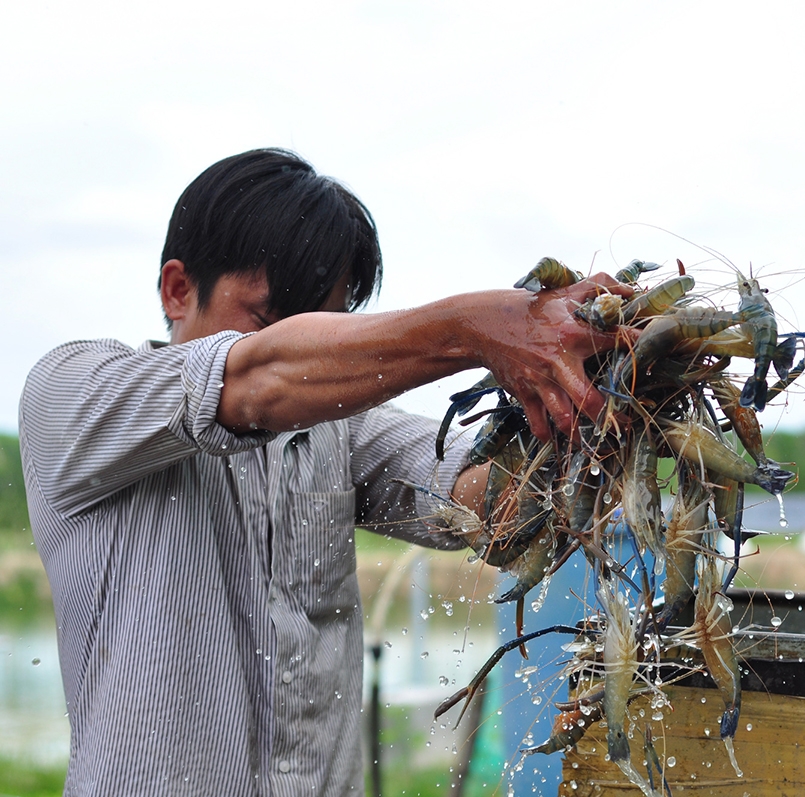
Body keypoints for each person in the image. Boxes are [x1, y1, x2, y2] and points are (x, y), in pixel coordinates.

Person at [19, 148, 627, 795]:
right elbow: (258, 377)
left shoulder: (336, 430)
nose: (307, 344)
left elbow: (487, 500)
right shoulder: (75, 397)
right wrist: (470, 329)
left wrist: (600, 402)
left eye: (328, 328)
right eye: (268, 318)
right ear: (177, 289)